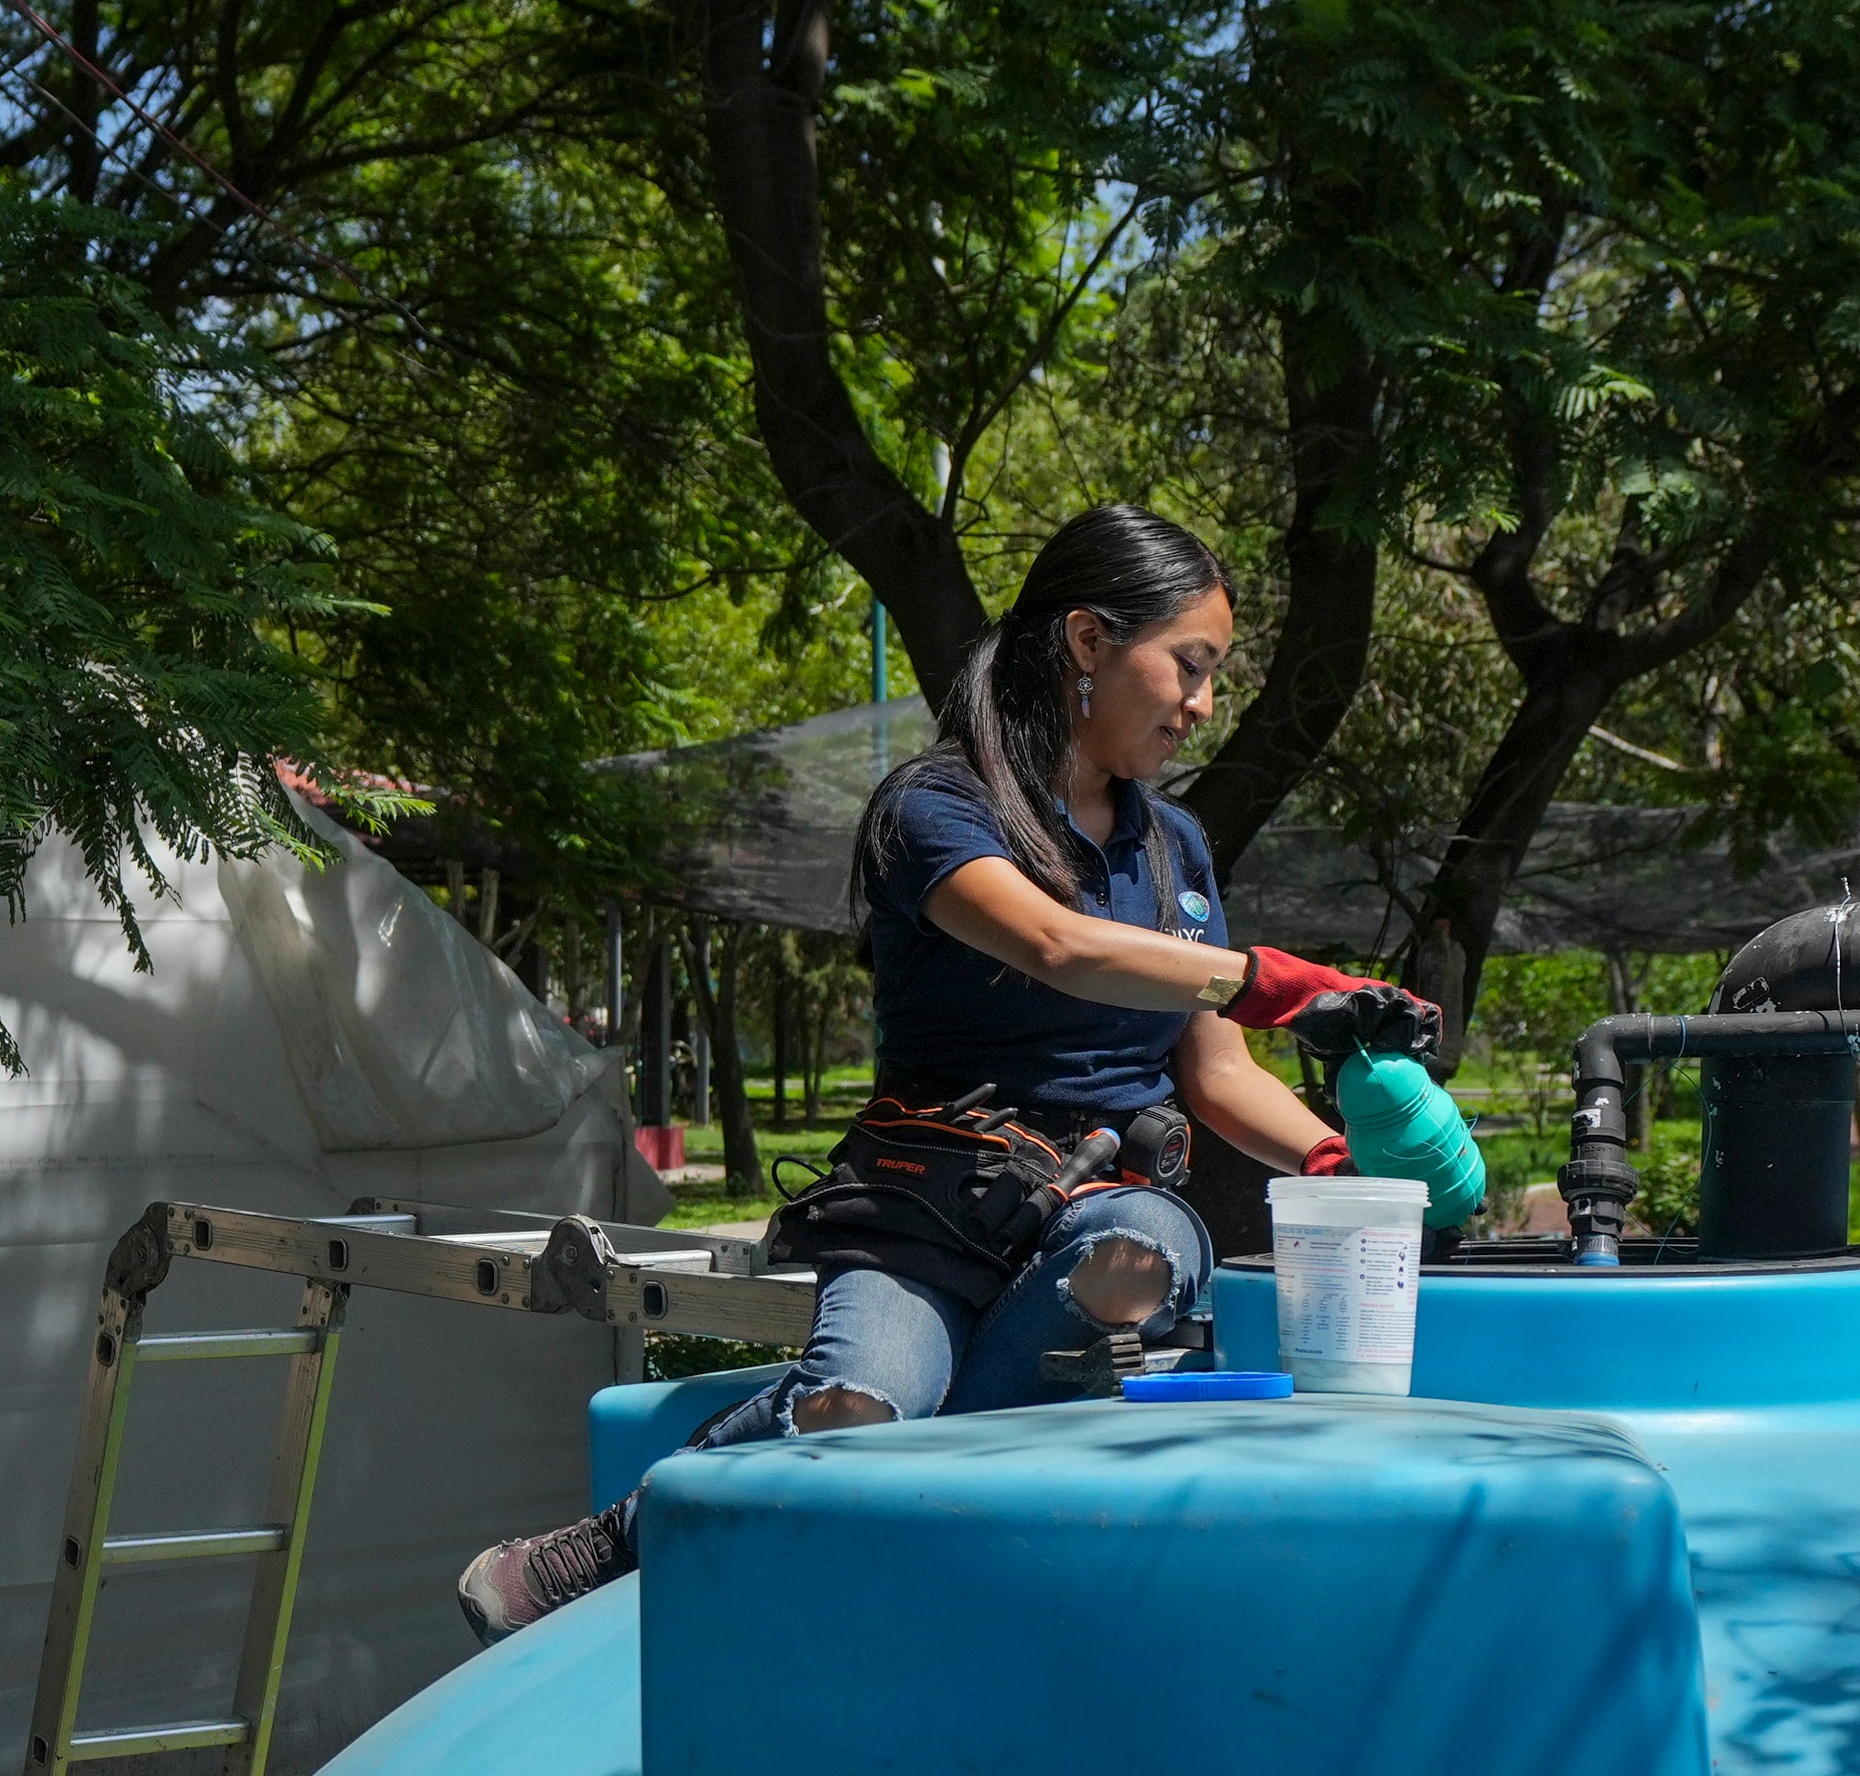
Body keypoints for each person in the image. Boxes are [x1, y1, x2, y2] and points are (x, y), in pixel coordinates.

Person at [455, 502, 1440, 1645]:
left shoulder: (1174, 848)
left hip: (1098, 1209)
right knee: (855, 1404)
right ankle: (618, 1539)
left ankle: (885, 1521)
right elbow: (1055, 945)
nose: (1202, 705)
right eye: (1189, 665)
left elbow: (1212, 1071)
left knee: (1143, 1246)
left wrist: (1334, 1158)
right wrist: (1263, 974)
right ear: (1084, 641)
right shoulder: (933, 809)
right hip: (926, 1203)